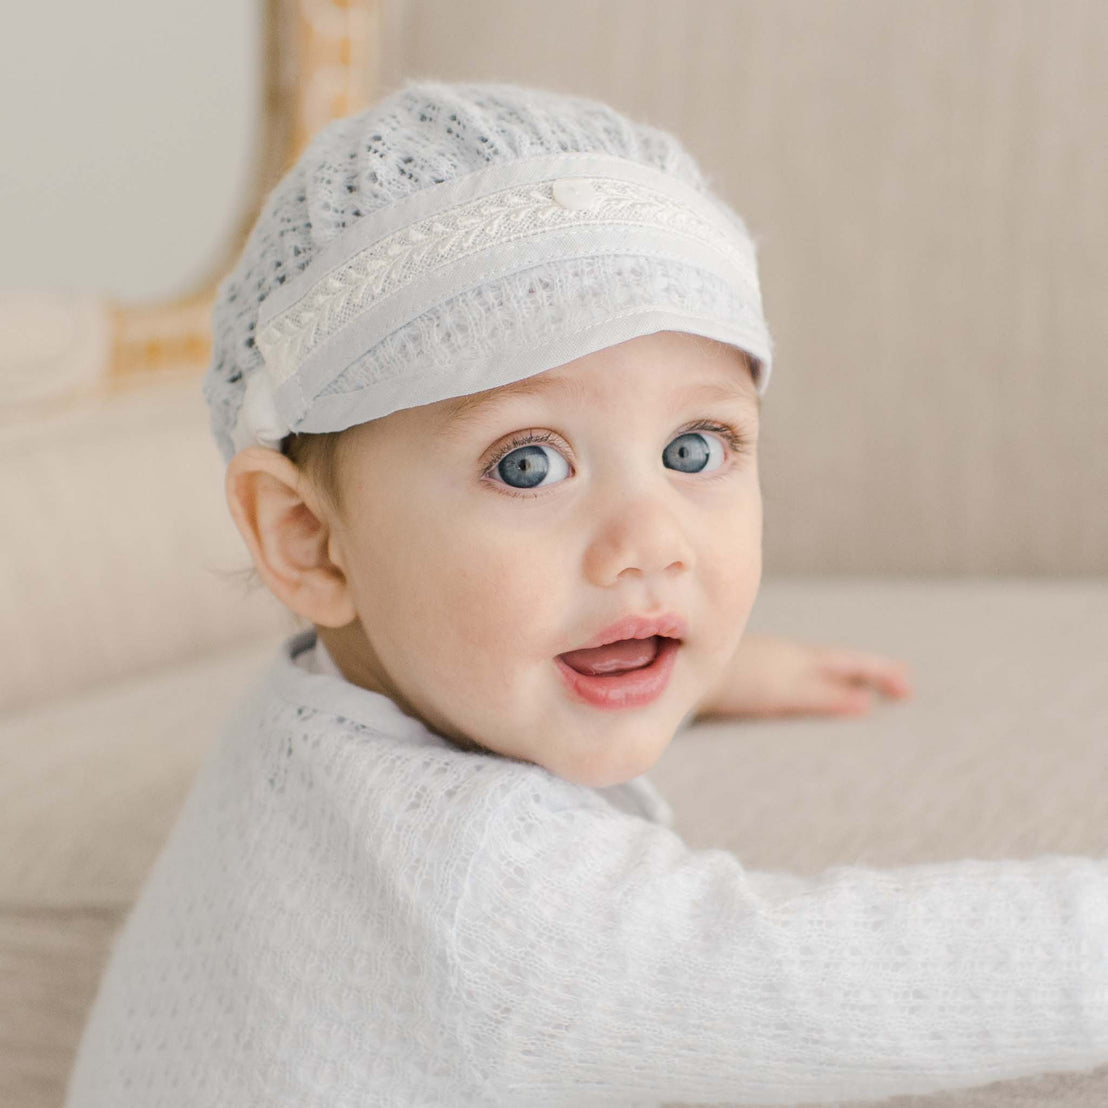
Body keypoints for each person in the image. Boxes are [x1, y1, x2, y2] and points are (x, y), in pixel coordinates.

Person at [63, 79, 1108, 1107]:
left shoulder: (313, 721)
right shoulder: (481, 905)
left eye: (695, 447)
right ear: (309, 540)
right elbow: (850, 980)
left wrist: (690, 660)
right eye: (527, 465)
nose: (647, 545)